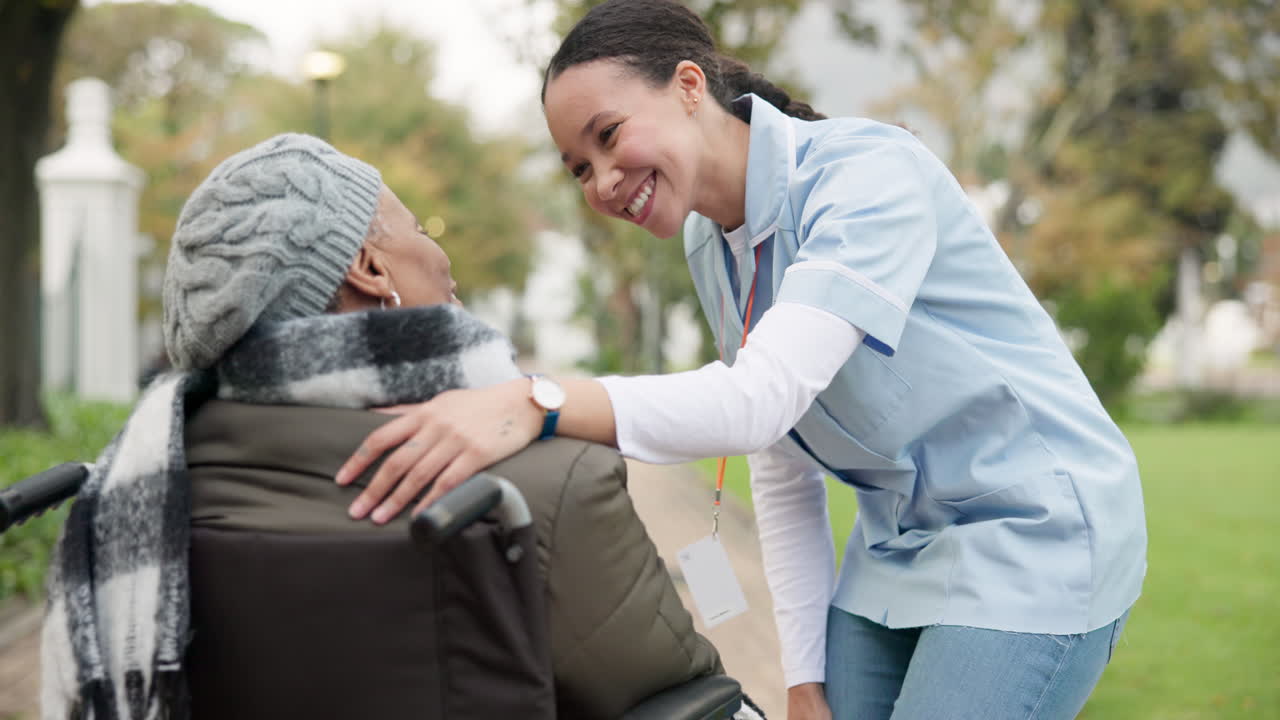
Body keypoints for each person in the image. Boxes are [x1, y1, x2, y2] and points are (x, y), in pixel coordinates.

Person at [334, 1, 1148, 718]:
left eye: (609, 137)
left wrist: (534, 401)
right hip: (897, 549)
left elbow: (756, 399)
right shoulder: (708, 242)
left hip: (1034, 531)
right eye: (580, 167)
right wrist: (801, 675)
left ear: (690, 86)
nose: (604, 182)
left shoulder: (867, 178)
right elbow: (783, 458)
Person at [41, 133, 724, 720]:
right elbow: (685, 698)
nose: (440, 254)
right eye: (419, 229)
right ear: (370, 268)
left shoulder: (137, 498)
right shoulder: (546, 486)